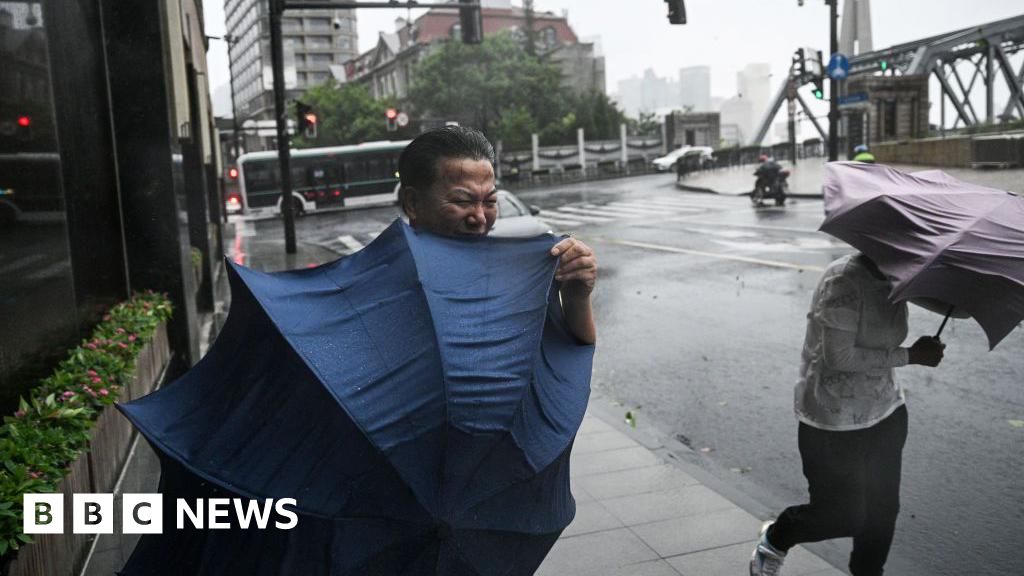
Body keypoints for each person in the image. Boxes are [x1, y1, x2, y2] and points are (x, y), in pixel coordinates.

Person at [750, 253, 945, 576]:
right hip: (832, 419)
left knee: (882, 513)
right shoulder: (843, 280)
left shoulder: (901, 274)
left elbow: (958, 310)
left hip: (886, 412)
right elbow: (839, 356)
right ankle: (777, 537)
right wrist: (911, 355)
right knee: (843, 515)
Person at [398, 126, 597, 344]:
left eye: (491, 201)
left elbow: (570, 351)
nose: (480, 218)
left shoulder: (515, 277)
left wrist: (576, 297)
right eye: (463, 201)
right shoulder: (383, 287)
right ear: (413, 203)